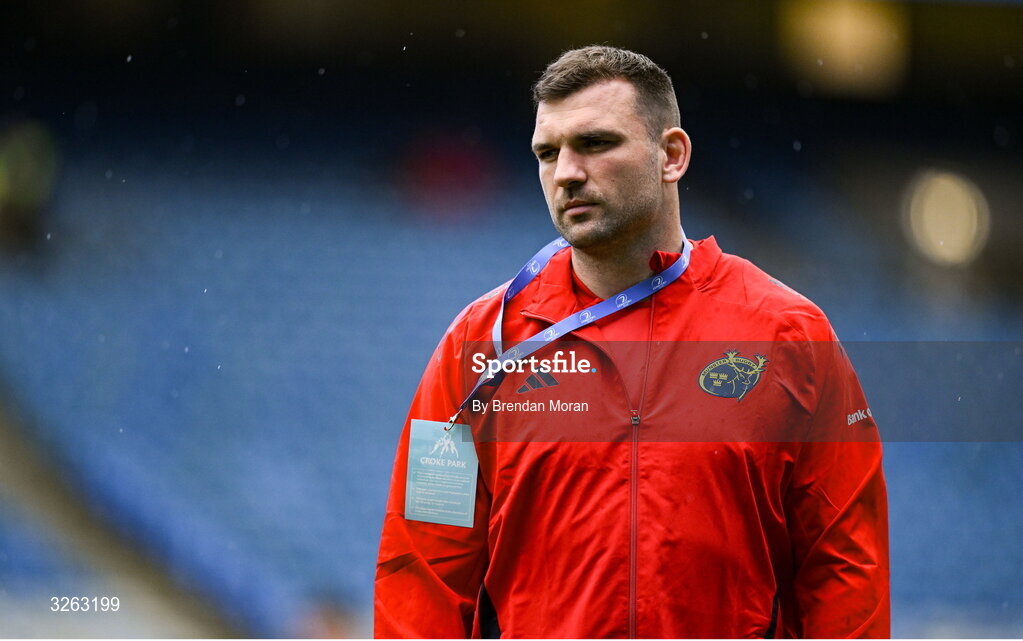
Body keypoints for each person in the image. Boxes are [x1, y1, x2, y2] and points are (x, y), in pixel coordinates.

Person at [375, 46, 889, 638]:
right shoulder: (478, 345)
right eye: (547, 152)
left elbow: (846, 564)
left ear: (672, 155)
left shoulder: (790, 334)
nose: (566, 171)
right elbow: (421, 562)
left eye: (595, 143)